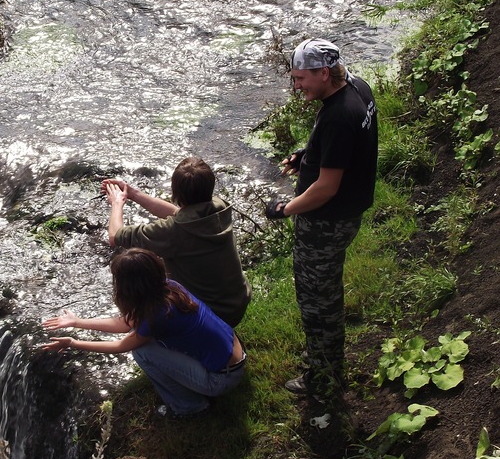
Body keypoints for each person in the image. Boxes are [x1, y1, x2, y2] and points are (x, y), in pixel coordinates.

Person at [266, 38, 378, 402]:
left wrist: (285, 208)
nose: (297, 86)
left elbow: (326, 188)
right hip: (348, 212)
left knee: (317, 298)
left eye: (301, 79)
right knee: (325, 289)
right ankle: (325, 357)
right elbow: (347, 148)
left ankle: (324, 374)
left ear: (324, 72)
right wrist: (307, 155)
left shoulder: (337, 116)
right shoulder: (357, 88)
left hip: (327, 222)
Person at [41, 248, 246, 418]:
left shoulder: (156, 316)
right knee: (151, 344)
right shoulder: (170, 288)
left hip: (222, 379)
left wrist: (73, 343)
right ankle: (192, 392)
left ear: (128, 287)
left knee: (142, 352)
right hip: (235, 356)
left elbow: (120, 346)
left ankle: (189, 407)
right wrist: (77, 322)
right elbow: (125, 324)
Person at [101, 156, 251, 328]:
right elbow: (177, 213)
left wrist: (117, 203)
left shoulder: (174, 232)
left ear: (175, 193)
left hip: (214, 315)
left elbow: (115, 236)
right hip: (236, 302)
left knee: (145, 344)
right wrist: (133, 193)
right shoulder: (219, 208)